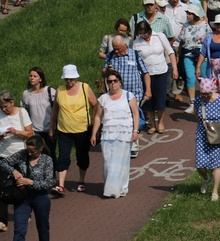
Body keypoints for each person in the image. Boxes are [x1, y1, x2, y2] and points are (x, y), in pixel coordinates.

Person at [1, 136, 54, 241]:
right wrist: (14, 172)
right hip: (22, 197)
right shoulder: (22, 155)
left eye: (33, 151)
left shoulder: (47, 160)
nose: (30, 154)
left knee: (42, 227)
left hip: (40, 197)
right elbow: (4, 162)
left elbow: (49, 182)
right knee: (19, 228)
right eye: (28, 151)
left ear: (40, 149)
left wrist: (30, 182)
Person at [90, 69, 138, 198]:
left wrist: (135, 131)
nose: (112, 84)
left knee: (122, 162)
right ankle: (110, 187)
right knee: (108, 162)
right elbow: (98, 117)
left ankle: (121, 188)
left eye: (115, 81)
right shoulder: (103, 99)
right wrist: (94, 134)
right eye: (110, 81)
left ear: (120, 82)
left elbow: (135, 113)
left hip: (124, 133)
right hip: (108, 134)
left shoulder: (129, 96)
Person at [49, 64, 97, 195]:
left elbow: (95, 105)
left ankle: (81, 180)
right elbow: (55, 110)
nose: (69, 81)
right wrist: (52, 128)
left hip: (82, 130)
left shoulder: (84, 88)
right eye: (67, 79)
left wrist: (95, 123)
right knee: (63, 157)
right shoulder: (60, 90)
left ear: (76, 77)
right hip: (64, 130)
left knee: (82, 157)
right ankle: (61, 185)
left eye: (71, 79)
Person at [132, 21, 177, 134]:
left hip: (161, 71)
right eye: (141, 34)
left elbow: (170, 51)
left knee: (160, 98)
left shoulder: (159, 36)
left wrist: (175, 69)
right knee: (148, 100)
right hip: (146, 74)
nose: (144, 36)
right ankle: (152, 124)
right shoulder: (136, 43)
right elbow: (135, 60)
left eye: (145, 34)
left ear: (149, 31)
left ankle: (160, 122)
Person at [0, 90, 34, 233]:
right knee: (1, 187)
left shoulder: (21, 113)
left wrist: (16, 132)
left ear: (12, 102)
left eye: (6, 107)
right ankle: (2, 220)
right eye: (1, 107)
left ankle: (24, 212)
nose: (4, 110)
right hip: (3, 155)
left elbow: (30, 133)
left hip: (20, 154)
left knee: (20, 185)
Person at [194, 77, 220, 202]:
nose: (206, 96)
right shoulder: (198, 101)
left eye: (207, 94)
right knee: (199, 164)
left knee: (215, 165)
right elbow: (196, 115)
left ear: (212, 90)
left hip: (217, 134)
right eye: (203, 94)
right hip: (202, 134)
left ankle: (214, 192)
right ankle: (205, 178)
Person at [21, 67, 56, 163]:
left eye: (35, 76)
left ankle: (52, 175)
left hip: (49, 128)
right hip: (35, 130)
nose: (32, 78)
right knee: (36, 153)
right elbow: (25, 112)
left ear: (40, 79)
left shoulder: (50, 91)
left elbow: (56, 109)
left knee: (50, 153)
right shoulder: (26, 94)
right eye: (30, 76)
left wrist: (53, 127)